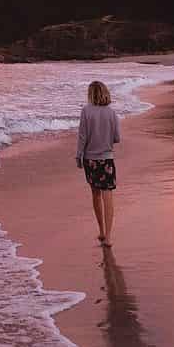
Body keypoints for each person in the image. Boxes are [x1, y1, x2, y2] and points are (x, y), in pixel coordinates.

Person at [75, 80, 121, 246]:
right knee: (108, 195)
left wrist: (78, 156)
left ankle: (101, 231)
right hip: (107, 158)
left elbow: (82, 136)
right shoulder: (112, 113)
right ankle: (108, 236)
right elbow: (117, 138)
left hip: (90, 159)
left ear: (91, 94)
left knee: (95, 194)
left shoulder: (86, 111)